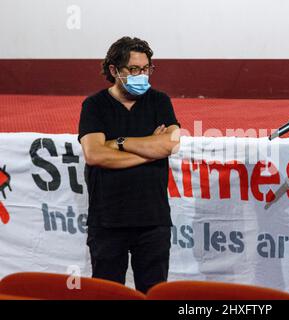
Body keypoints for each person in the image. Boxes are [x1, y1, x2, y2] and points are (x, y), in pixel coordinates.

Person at [78, 36, 180, 294]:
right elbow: (95, 154)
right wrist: (149, 151)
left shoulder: (159, 101)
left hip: (152, 221)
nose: (142, 75)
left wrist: (118, 142)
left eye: (146, 69)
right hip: (108, 222)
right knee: (107, 294)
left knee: (155, 293)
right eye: (134, 70)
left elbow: (170, 144)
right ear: (114, 70)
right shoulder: (94, 105)